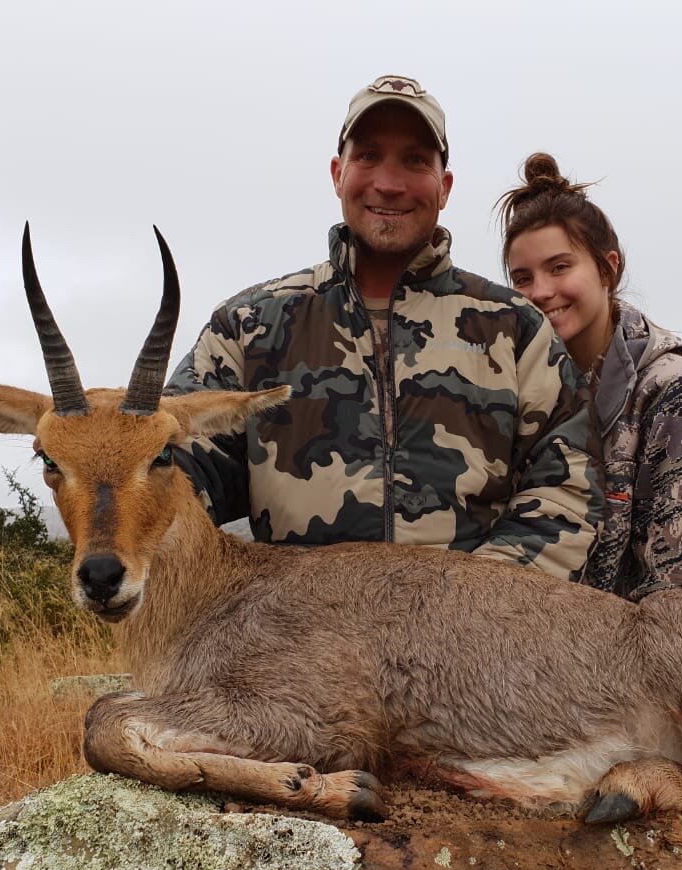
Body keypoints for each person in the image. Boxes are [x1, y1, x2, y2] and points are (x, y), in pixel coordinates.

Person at [165, 78, 602, 581]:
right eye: (368, 155)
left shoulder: (514, 328)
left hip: (470, 643)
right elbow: (174, 466)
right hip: (301, 643)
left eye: (415, 160)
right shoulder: (247, 327)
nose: (389, 183)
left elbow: (566, 486)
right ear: (337, 174)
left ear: (445, 185)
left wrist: (471, 604)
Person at [498, 153, 682, 615]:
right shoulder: (509, 396)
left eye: (559, 268)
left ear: (607, 268)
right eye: (522, 278)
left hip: (633, 679)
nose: (539, 292)